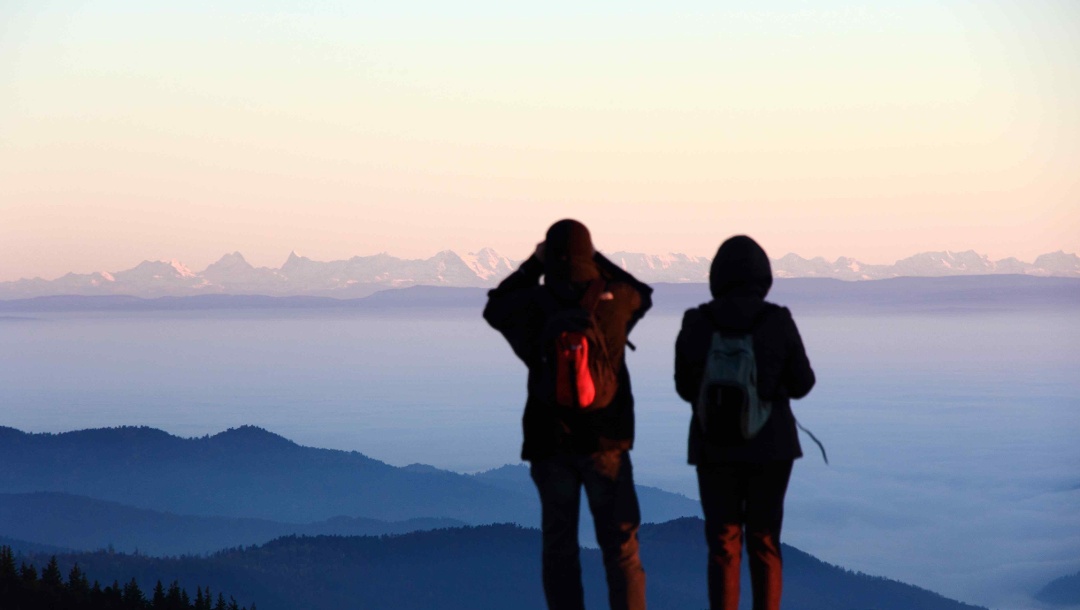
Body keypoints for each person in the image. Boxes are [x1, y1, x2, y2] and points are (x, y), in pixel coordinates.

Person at [484, 219, 652, 610]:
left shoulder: (533, 304)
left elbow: (494, 307)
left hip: (549, 442)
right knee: (621, 549)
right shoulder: (616, 301)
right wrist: (597, 262)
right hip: (606, 443)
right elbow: (643, 293)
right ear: (587, 251)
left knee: (559, 547)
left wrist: (533, 265)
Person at [674, 235, 815, 610]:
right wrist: (770, 388)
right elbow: (804, 384)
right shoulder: (777, 320)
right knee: (765, 541)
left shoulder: (696, 321)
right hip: (772, 448)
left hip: (712, 446)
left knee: (723, 542)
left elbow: (684, 387)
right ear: (763, 275)